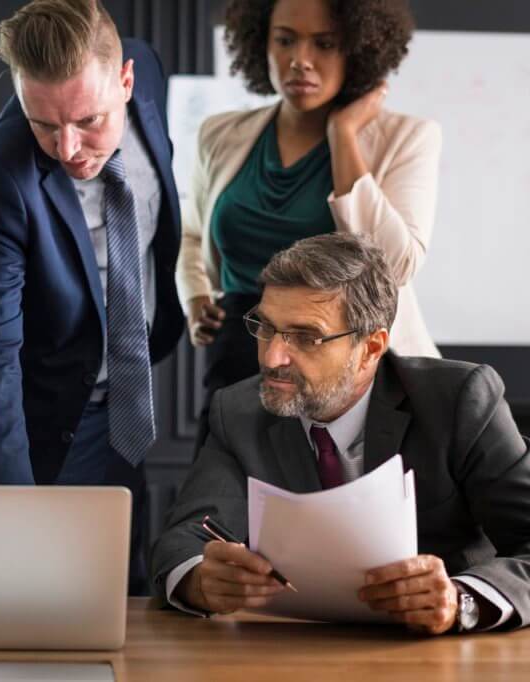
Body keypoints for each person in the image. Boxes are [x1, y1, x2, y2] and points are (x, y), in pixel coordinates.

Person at [151, 233, 530, 634]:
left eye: (306, 337)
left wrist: (461, 600)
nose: (272, 357)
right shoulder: (239, 410)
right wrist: (199, 580)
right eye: (265, 327)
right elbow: (184, 540)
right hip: (289, 651)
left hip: (438, 653)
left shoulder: (458, 401)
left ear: (371, 347)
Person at [0, 0, 184, 595]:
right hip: (43, 424)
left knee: (120, 593)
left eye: (89, 121)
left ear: (126, 80)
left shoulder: (146, 68)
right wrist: (13, 511)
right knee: (37, 600)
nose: (68, 147)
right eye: (44, 124)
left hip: (129, 396)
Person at [179, 0, 441, 458]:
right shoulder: (220, 134)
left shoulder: (408, 138)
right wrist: (196, 294)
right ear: (260, 42)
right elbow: (193, 232)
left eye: (325, 44)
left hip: (345, 367)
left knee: (339, 517)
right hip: (242, 355)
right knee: (218, 514)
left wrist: (343, 136)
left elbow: (394, 267)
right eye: (285, 40)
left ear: (358, 51)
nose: (300, 59)